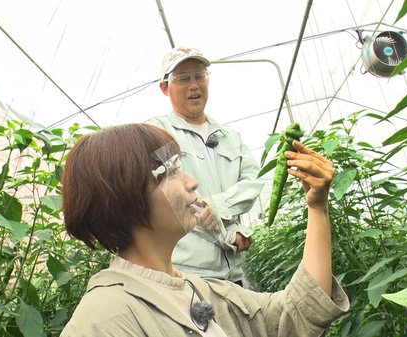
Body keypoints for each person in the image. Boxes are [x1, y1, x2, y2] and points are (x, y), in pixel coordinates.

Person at [60, 123, 349, 337]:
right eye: (168, 172)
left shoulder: (201, 291)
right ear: (123, 198)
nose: (191, 182)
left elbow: (296, 313)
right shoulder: (103, 319)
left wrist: (317, 207)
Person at [146, 46, 264, 285]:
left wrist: (233, 222)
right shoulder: (158, 134)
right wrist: (228, 232)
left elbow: (253, 180)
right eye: (183, 78)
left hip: (236, 274)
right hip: (189, 274)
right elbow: (172, 198)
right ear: (164, 88)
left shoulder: (230, 136)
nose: (194, 85)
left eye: (200, 76)